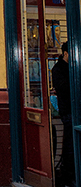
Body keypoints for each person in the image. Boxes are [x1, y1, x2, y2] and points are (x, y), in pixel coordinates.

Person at [51, 42, 75, 187]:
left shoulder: (74, 67)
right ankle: (69, 175)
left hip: (73, 110)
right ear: (66, 53)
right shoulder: (58, 69)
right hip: (68, 111)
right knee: (70, 143)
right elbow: (64, 89)